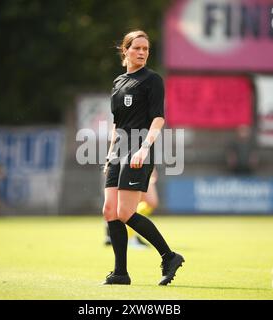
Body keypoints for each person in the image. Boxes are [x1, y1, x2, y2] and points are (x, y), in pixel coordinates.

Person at [101, 30, 184, 286]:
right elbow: (117, 122)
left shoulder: (152, 80)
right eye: (136, 47)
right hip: (118, 151)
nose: (141, 52)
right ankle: (120, 273)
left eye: (146, 49)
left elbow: (158, 118)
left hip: (139, 148)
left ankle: (169, 256)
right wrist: (108, 155)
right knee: (109, 211)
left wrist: (145, 147)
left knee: (125, 212)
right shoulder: (118, 82)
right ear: (125, 50)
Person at [104, 168, 159, 249]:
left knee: (150, 202)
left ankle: (127, 235)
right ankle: (128, 238)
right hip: (129, 164)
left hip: (141, 164)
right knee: (125, 204)